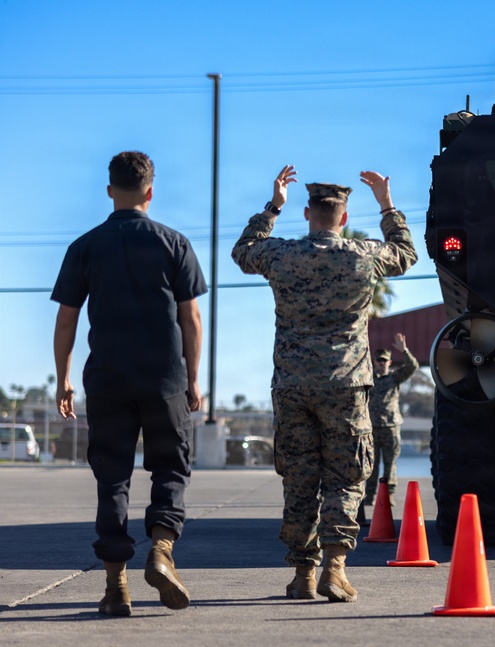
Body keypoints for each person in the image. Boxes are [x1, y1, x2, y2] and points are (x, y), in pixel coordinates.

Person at [232, 165, 417, 602]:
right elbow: (406, 253)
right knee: (347, 476)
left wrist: (271, 207)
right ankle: (334, 570)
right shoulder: (363, 255)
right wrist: (387, 205)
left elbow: (243, 252)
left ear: (307, 212)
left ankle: (301, 574)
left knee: (299, 478)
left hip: (293, 385)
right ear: (345, 218)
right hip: (346, 386)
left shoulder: (281, 255)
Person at [51, 151, 206, 616]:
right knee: (171, 470)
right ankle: (161, 550)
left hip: (108, 382)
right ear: (151, 192)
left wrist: (63, 381)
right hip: (165, 382)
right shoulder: (172, 242)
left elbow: (66, 321)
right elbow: (191, 318)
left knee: (112, 479)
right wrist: (193, 378)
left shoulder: (85, 246)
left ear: (109, 190)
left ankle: (116, 587)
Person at [365, 332, 418, 507]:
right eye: (378, 360)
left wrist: (404, 351)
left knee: (390, 464)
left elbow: (412, 367)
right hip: (372, 427)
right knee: (371, 464)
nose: (381, 363)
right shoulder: (368, 378)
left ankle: (389, 495)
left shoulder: (394, 377)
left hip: (391, 426)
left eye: (384, 360)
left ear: (389, 362)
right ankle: (370, 495)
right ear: (374, 362)